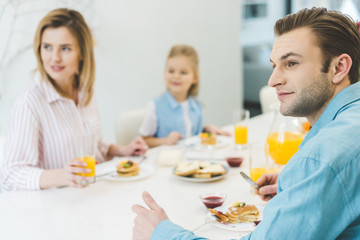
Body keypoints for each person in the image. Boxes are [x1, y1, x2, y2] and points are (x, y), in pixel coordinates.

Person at [131, 7, 360, 239]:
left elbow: (327, 163)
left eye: (291, 63)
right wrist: (299, 185)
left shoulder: (321, 158)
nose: (273, 80)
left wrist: (161, 233)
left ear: (339, 67)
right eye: (274, 65)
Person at [0, 8, 148, 191]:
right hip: (53, 208)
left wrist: (121, 150)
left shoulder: (85, 91)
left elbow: (93, 146)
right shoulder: (29, 102)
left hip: (90, 196)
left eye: (65, 48)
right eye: (47, 47)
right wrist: (61, 175)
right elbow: (11, 173)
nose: (54, 58)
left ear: (82, 53)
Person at [139, 45, 229, 148]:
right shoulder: (155, 106)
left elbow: (190, 133)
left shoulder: (197, 106)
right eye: (171, 71)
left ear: (194, 78)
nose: (176, 76)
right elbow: (144, 140)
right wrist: (165, 141)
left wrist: (206, 129)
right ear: (164, 73)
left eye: (183, 72)